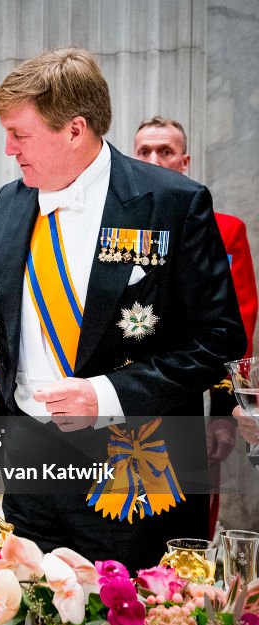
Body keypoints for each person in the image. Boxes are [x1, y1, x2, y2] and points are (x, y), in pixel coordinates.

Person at [0, 48, 245, 569]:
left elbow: (218, 341)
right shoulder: (9, 204)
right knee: (30, 622)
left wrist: (106, 394)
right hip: (28, 464)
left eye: (20, 134)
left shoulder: (172, 203)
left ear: (75, 129)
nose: (8, 149)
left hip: (132, 461)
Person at [133, 115, 259, 533]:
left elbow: (236, 326)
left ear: (184, 161)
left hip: (192, 400)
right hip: (118, 402)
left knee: (186, 529)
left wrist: (223, 412)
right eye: (145, 152)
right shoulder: (110, 228)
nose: (154, 159)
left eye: (165, 152)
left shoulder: (223, 230)